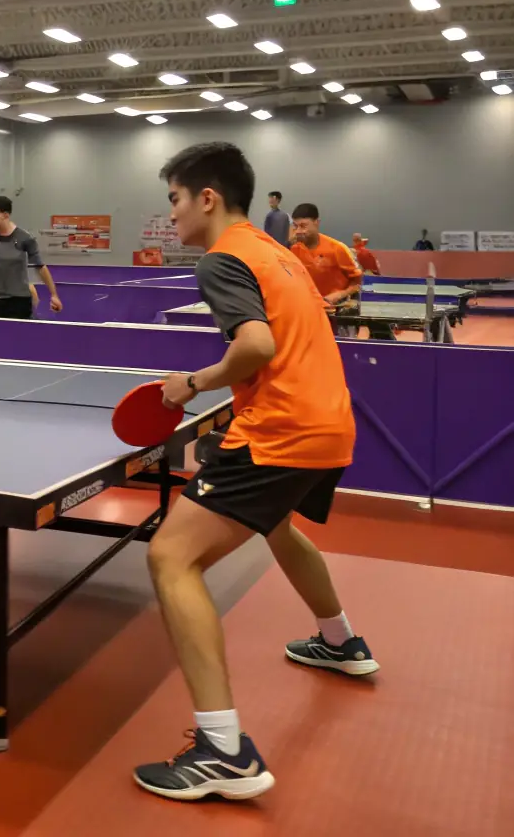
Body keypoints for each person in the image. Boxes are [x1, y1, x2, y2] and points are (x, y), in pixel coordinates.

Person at [134, 141, 376, 802]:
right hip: (328, 425)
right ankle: (339, 641)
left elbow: (257, 345)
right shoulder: (280, 255)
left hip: (280, 429)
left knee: (170, 558)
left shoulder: (221, 259)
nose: (172, 214)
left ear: (206, 198)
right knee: (276, 527)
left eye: (175, 199)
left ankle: (221, 751)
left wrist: (193, 383)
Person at [0, 195, 61, 319]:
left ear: (5, 215)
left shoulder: (25, 238)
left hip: (20, 302)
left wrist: (54, 295)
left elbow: (40, 267)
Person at [289, 203, 363, 310]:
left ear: (316, 223)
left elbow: (358, 283)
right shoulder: (294, 250)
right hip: (308, 309)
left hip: (335, 311)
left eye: (303, 226)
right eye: (295, 226)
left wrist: (340, 294)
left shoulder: (337, 249)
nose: (298, 231)